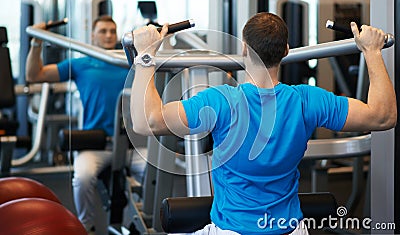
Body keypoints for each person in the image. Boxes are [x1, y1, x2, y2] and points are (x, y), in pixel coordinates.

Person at [128, 13, 396, 234]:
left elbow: (146, 122)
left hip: (232, 230)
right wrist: (372, 51)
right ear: (286, 51)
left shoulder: (221, 102)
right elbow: (383, 116)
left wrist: (146, 56)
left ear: (244, 49)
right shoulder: (307, 100)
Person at [26, 15, 145, 234]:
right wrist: (36, 42)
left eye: (112, 31)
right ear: (92, 35)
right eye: (103, 31)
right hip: (95, 144)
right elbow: (34, 75)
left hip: (131, 144)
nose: (108, 35)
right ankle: (86, 226)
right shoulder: (81, 64)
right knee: (82, 178)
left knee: (153, 173)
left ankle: (144, 223)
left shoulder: (129, 62)